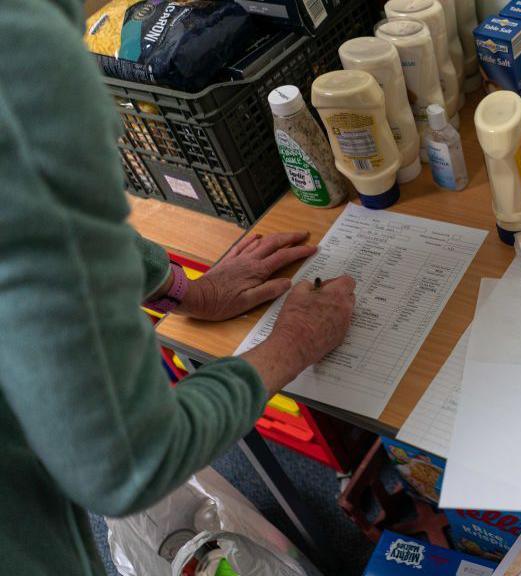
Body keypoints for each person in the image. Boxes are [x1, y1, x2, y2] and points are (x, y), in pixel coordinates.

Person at [0, 0, 356, 573]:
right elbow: (127, 459)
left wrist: (178, 291)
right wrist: (293, 344)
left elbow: (46, 223)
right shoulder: (20, 55)